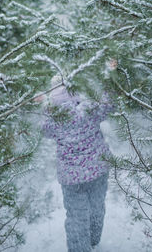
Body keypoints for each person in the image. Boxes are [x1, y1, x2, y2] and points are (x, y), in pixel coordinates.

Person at [38, 78, 113, 252]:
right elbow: (108, 104)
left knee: (76, 217)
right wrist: (109, 77)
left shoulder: (53, 121)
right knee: (97, 208)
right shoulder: (88, 110)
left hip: (71, 179)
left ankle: (80, 248)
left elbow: (42, 129)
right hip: (98, 170)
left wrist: (44, 107)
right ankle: (94, 241)